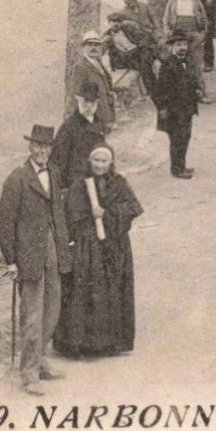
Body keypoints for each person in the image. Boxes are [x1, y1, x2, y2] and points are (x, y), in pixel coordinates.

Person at [0, 124, 71, 394]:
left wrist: (63, 245)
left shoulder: (55, 173)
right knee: (32, 314)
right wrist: (11, 261)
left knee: (52, 309)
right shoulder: (17, 179)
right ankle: (28, 373)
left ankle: (40, 361)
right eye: (37, 145)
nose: (42, 151)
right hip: (29, 254)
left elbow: (58, 212)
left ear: (51, 149)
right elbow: (4, 223)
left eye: (46, 146)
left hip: (53, 249)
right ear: (30, 147)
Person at [53, 145, 143, 359]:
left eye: (104, 161)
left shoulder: (119, 183)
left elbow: (132, 209)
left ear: (110, 163)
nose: (100, 165)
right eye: (96, 161)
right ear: (90, 162)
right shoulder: (79, 185)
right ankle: (84, 343)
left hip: (114, 245)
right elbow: (71, 215)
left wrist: (108, 214)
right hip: (88, 248)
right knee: (87, 293)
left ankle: (111, 343)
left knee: (112, 291)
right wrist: (88, 219)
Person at [153, 33, 201, 178]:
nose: (182, 48)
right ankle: (177, 169)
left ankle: (182, 165)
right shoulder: (167, 64)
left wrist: (197, 90)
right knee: (177, 139)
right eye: (178, 45)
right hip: (175, 110)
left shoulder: (187, 61)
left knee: (185, 136)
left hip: (187, 108)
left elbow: (191, 81)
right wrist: (163, 109)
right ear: (171, 47)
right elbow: (161, 90)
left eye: (184, 44)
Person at [51, 80, 109, 193]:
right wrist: (63, 187)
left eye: (92, 102)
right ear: (78, 100)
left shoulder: (99, 123)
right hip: (76, 184)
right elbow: (59, 159)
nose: (88, 106)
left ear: (97, 102)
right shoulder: (69, 127)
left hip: (96, 180)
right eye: (85, 101)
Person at [162, 0, 210, 96]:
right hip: (177, 36)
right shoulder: (172, 1)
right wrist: (168, 32)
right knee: (175, 64)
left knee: (195, 65)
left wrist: (202, 35)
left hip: (193, 35)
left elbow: (204, 18)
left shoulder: (196, 1)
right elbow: (166, 19)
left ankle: (201, 93)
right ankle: (176, 93)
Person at [72, 32, 119, 129]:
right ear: (83, 47)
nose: (93, 48)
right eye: (90, 45)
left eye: (96, 45)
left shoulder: (98, 63)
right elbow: (78, 93)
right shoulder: (80, 67)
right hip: (93, 117)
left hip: (106, 113)